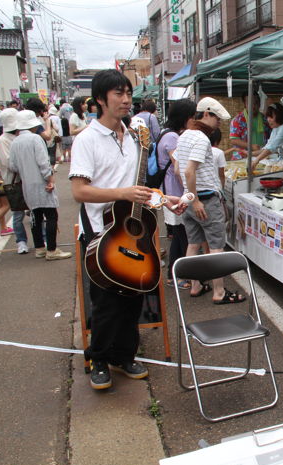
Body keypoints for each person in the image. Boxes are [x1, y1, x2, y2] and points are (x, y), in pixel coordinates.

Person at [69, 69, 186, 390]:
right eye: (118, 94)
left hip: (130, 229)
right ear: (99, 101)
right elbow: (79, 191)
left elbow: (141, 190)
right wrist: (121, 193)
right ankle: (99, 359)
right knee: (106, 303)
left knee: (133, 298)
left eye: (127, 93)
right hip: (100, 233)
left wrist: (168, 199)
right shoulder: (86, 140)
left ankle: (124, 355)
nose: (125, 99)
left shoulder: (135, 138)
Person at [176, 97, 244, 305]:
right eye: (217, 118)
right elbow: (189, 170)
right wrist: (196, 201)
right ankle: (219, 292)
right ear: (205, 114)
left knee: (194, 243)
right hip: (203, 199)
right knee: (216, 246)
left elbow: (179, 168)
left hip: (190, 198)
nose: (219, 123)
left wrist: (189, 196)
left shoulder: (184, 135)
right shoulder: (202, 139)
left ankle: (195, 285)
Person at [8, 110, 71, 261]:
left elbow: (12, 166)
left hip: (27, 184)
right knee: (51, 215)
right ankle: (52, 249)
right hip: (41, 182)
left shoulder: (15, 141)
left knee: (35, 216)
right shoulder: (36, 139)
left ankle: (39, 248)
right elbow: (43, 163)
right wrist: (50, 179)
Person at [157, 98, 196, 289]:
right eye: (192, 117)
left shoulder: (166, 134)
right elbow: (179, 168)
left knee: (180, 235)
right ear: (185, 118)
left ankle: (174, 274)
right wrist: (189, 192)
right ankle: (179, 275)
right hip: (174, 192)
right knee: (183, 235)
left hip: (170, 191)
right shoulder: (173, 138)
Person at [0, 108, 29, 253]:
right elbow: (9, 163)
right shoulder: (2, 141)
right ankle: (21, 241)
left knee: (35, 212)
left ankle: (42, 239)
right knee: (18, 213)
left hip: (27, 179)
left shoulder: (19, 136)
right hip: (13, 182)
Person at [241, 102, 283, 173]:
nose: (268, 119)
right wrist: (251, 154)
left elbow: (271, 148)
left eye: (271, 117)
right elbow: (268, 146)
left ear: (279, 116)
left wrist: (256, 161)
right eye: (267, 117)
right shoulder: (275, 129)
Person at [228, 93, 270, 160]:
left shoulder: (265, 119)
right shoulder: (238, 120)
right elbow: (234, 140)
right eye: (249, 103)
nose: (253, 106)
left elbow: (271, 137)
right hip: (242, 158)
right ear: (245, 104)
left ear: (259, 104)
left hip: (262, 157)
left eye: (255, 103)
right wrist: (251, 146)